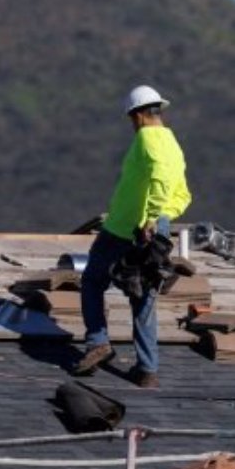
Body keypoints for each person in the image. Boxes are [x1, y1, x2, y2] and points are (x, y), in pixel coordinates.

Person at [73, 85, 192, 388]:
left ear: (137, 116)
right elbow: (182, 194)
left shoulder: (147, 137)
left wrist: (150, 216)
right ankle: (148, 369)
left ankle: (98, 342)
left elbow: (160, 177)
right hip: (154, 228)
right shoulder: (172, 143)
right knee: (143, 296)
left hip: (125, 228)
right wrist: (161, 217)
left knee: (92, 281)